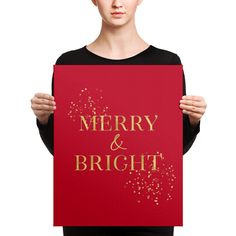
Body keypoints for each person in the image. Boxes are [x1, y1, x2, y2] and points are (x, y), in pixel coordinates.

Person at [31, 0, 207, 235]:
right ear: (93, 0)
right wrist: (44, 120)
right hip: (86, 215)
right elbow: (67, 156)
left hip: (148, 218)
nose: (117, 3)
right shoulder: (70, 64)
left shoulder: (166, 64)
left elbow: (171, 155)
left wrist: (193, 120)